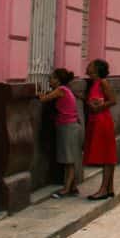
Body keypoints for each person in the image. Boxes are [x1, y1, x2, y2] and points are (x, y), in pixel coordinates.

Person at [37, 68, 81, 198]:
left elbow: (43, 99)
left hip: (67, 127)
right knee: (69, 158)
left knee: (68, 160)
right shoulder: (65, 90)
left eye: (51, 78)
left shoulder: (61, 90)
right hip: (69, 126)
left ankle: (66, 189)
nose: (49, 80)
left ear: (58, 80)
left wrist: (39, 91)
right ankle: (72, 187)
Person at [82, 59, 117, 200]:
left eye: (90, 65)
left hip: (102, 121)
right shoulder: (94, 83)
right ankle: (109, 188)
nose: (87, 66)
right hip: (95, 121)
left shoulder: (103, 82)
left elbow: (113, 100)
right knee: (107, 154)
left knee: (106, 155)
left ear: (96, 69)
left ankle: (104, 189)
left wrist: (98, 107)